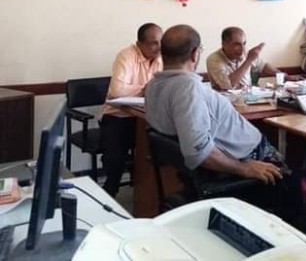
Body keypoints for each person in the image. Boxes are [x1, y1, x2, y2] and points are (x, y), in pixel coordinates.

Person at [145, 24, 284, 184]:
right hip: (248, 156)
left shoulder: (153, 85)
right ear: (195, 54)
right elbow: (199, 152)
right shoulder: (188, 89)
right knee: (296, 183)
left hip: (231, 154)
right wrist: (244, 168)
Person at [101, 22, 163, 196]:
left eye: (161, 42)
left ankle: (149, 195)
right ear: (139, 44)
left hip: (146, 116)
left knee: (161, 148)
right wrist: (146, 89)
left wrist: (147, 89)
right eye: (153, 43)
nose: (159, 47)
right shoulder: (126, 56)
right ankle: (110, 190)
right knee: (116, 158)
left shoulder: (162, 57)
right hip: (118, 116)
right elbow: (116, 91)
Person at [206, 26, 280, 92]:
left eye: (244, 43)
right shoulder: (213, 59)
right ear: (224, 44)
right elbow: (227, 85)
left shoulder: (245, 53)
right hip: (226, 100)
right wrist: (248, 61)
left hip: (248, 97)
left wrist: (281, 75)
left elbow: (262, 66)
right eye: (237, 44)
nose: (242, 48)